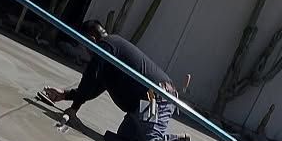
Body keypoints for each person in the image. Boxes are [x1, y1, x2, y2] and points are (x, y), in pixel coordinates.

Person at [41, 19, 190, 123]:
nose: (85, 50)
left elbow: (90, 79)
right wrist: (65, 95)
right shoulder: (113, 48)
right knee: (124, 139)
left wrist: (73, 109)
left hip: (157, 99)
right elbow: (95, 86)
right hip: (154, 100)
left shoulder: (104, 47)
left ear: (91, 39)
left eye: (84, 44)